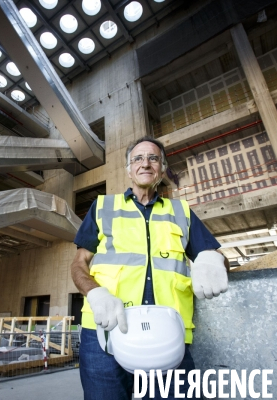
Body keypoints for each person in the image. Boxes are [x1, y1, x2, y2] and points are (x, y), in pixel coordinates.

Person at [71, 137, 229, 400]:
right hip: (106, 331)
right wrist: (94, 292)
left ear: (163, 168)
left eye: (153, 158)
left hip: (168, 334)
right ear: (129, 168)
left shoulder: (182, 212)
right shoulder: (103, 207)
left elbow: (218, 260)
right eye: (138, 158)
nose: (146, 163)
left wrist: (214, 261)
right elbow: (78, 264)